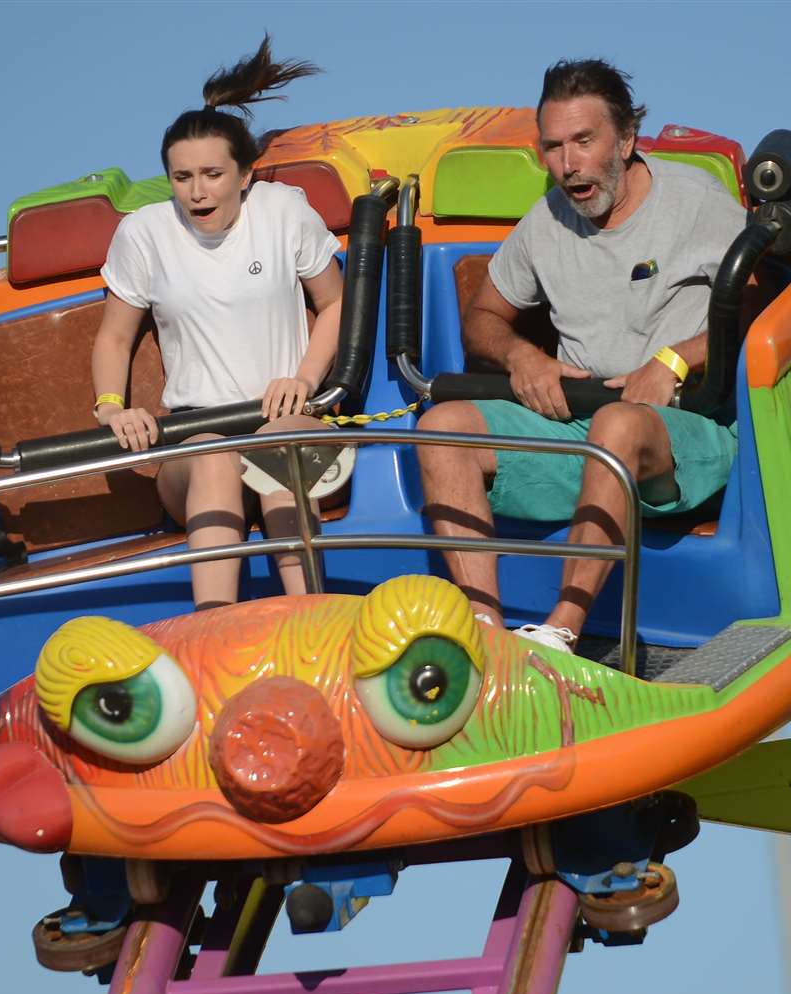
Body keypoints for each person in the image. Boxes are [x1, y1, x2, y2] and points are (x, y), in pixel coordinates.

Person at [415, 59, 747, 654]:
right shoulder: (545, 223)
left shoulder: (697, 201)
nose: (568, 165)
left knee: (617, 424)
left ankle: (560, 633)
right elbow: (482, 320)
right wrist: (525, 358)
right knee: (440, 429)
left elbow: (762, 306)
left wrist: (673, 361)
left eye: (584, 142)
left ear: (624, 140)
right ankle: (486, 638)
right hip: (580, 428)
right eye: (553, 146)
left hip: (687, 432)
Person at [91, 36, 343, 610]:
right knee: (210, 453)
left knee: (282, 446)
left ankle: (312, 618)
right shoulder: (144, 233)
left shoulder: (282, 211)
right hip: (196, 436)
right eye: (182, 178)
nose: (197, 192)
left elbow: (335, 304)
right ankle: (214, 629)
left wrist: (302, 380)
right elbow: (114, 336)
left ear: (245, 175)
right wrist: (110, 405)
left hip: (284, 419)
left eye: (211, 174)